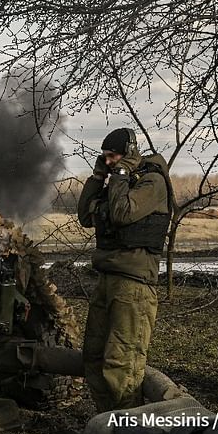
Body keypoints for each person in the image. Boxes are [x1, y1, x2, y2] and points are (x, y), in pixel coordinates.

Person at [77, 127, 172, 412]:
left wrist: (118, 176)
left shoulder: (151, 182)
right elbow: (84, 216)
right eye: (104, 157)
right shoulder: (118, 184)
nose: (108, 162)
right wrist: (97, 178)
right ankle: (107, 428)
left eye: (113, 156)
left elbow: (122, 213)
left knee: (123, 365)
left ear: (129, 154)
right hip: (108, 280)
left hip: (134, 287)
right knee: (93, 358)